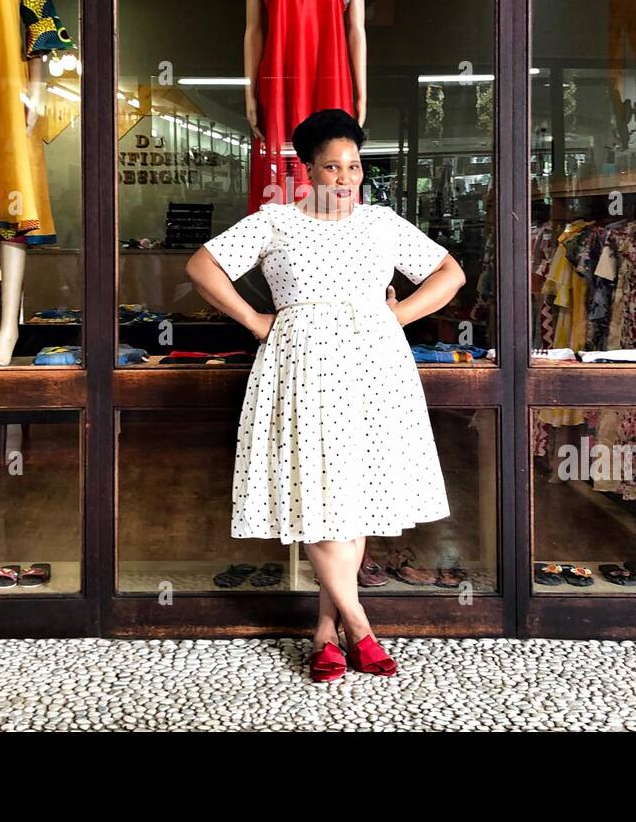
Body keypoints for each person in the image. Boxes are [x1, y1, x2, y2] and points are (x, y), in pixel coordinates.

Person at [185, 109, 466, 681]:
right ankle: (360, 626)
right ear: (307, 171)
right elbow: (202, 266)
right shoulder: (274, 222)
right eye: (332, 167)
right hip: (302, 363)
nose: (345, 177)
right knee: (312, 484)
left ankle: (324, 633)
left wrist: (401, 314)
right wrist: (254, 319)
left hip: (375, 364)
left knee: (352, 492)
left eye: (354, 166)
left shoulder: (383, 222)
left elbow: (450, 274)